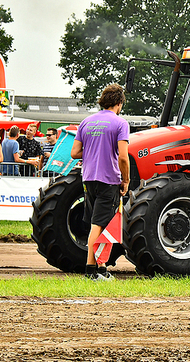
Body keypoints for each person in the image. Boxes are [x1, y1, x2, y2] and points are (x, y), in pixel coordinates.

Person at [71, 84, 130, 281]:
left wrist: (94, 151)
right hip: (108, 180)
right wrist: (126, 180)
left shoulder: (86, 122)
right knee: (99, 225)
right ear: (119, 103)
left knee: (100, 225)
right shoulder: (120, 123)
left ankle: (102, 267)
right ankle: (90, 269)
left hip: (89, 179)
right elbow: (123, 157)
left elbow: (74, 153)